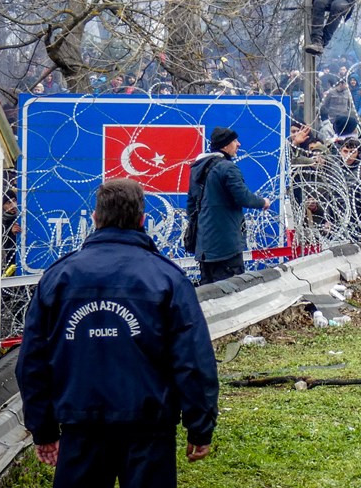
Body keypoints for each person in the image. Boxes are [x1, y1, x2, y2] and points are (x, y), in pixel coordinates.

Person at [16, 178, 219, 488]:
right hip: (149, 428)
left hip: (80, 424)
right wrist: (200, 425)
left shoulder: (58, 278)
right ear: (142, 220)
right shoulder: (167, 278)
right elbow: (193, 360)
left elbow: (32, 361)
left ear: (95, 218)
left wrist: (43, 429)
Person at [186, 126, 270, 285]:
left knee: (209, 293)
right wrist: (263, 202)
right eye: (234, 141)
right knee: (232, 291)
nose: (238, 144)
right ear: (225, 145)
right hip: (226, 247)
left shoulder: (198, 168)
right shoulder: (227, 167)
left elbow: (191, 207)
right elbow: (243, 197)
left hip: (204, 247)